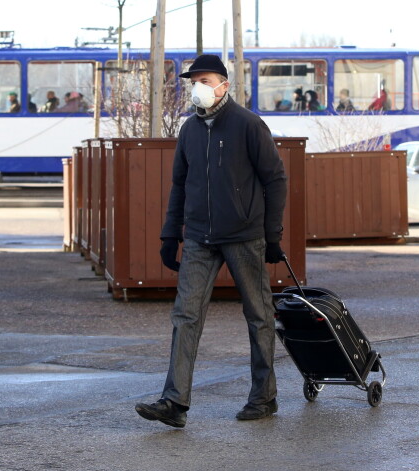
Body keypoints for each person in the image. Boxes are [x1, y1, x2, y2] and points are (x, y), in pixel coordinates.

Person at [134, 54, 287, 428]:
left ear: (224, 85)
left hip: (244, 236)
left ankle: (263, 397)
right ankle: (174, 403)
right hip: (200, 237)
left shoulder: (249, 125)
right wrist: (171, 235)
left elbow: (276, 180)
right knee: (185, 315)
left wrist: (271, 236)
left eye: (204, 80)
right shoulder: (189, 130)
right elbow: (180, 186)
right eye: (193, 82)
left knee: (259, 315)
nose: (197, 88)